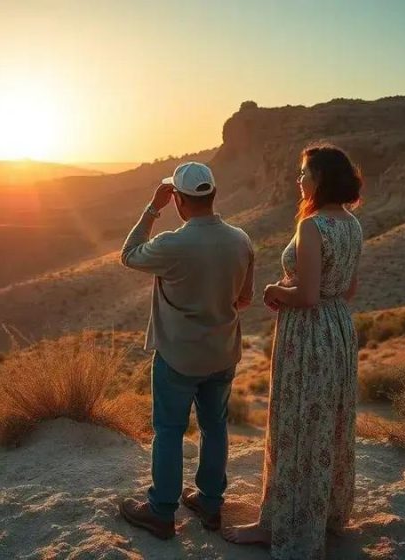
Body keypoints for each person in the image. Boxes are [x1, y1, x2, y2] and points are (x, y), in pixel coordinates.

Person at [222, 144, 363, 559]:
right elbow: (348, 289)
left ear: (320, 179)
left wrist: (272, 290)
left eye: (303, 173)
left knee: (296, 426)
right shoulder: (353, 224)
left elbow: (305, 295)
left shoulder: (314, 227)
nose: (298, 180)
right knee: (328, 425)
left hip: (308, 336)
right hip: (339, 331)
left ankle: (279, 526)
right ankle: (324, 516)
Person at [117, 161, 255, 540]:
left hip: (178, 356)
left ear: (178, 200)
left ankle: (162, 512)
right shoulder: (241, 239)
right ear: (213, 194)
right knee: (215, 428)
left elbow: (128, 254)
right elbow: (244, 300)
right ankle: (210, 504)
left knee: (169, 431)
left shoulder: (171, 244)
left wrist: (151, 208)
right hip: (223, 353)